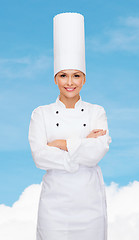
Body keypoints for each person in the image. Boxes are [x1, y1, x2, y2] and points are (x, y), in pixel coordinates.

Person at [28, 12, 112, 240]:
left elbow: (98, 152)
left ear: (84, 79)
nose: (70, 82)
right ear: (55, 79)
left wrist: (61, 144)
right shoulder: (40, 113)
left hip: (89, 203)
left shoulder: (97, 111)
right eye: (63, 75)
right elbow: (39, 156)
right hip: (54, 204)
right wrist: (82, 146)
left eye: (76, 76)